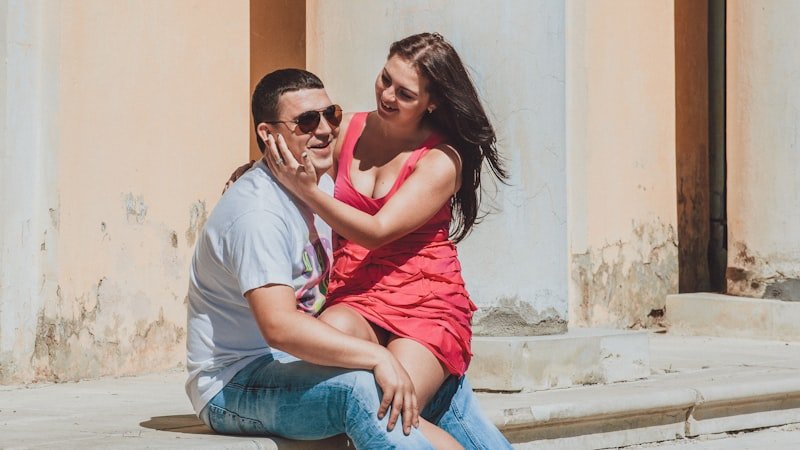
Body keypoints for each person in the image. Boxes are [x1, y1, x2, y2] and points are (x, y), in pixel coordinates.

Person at [187, 68, 510, 450]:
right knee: (364, 390)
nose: (324, 130)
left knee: (439, 389)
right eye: (307, 121)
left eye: (331, 115)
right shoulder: (257, 215)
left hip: (298, 362)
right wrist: (378, 358)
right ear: (267, 134)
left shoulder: (320, 184)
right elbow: (280, 328)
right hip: (237, 384)